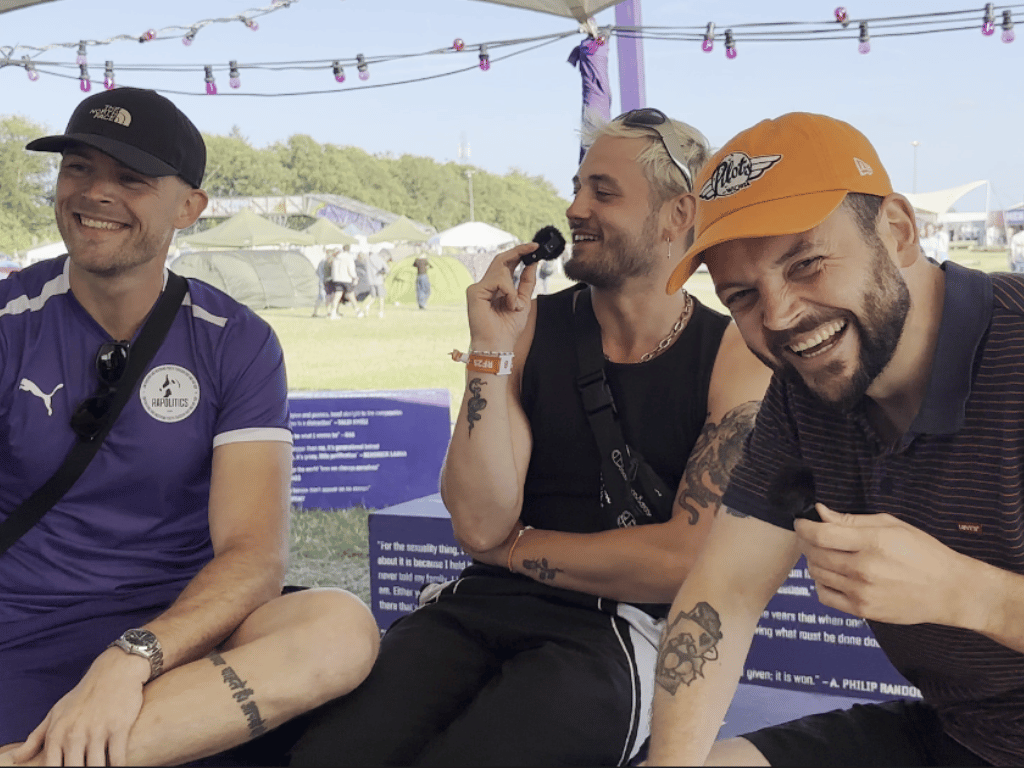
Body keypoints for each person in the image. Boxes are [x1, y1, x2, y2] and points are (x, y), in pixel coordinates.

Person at [289, 108, 771, 766]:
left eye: (603, 192)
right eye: (576, 187)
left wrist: (517, 552)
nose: (575, 207)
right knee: (333, 753)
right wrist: (491, 353)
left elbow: (681, 563)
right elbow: (481, 521)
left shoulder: (732, 355)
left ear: (677, 214)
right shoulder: (532, 327)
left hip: (621, 628)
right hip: (482, 608)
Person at [0, 87, 379, 767]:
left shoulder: (236, 340)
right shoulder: (10, 322)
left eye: (130, 178)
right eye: (78, 169)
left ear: (189, 208)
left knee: (339, 626)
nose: (94, 194)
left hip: (183, 635)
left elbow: (254, 556)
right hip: (21, 627)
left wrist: (130, 657)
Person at [648, 112, 1024, 767]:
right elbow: (724, 594)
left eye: (807, 263)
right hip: (959, 734)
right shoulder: (804, 393)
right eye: (742, 295)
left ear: (899, 230)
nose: (779, 316)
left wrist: (969, 594)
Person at [356, 250, 389, 318]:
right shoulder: (379, 258)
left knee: (373, 296)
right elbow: (386, 269)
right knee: (381, 297)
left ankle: (367, 306)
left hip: (370, 281)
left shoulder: (367, 260)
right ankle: (381, 312)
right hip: (379, 280)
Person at [312, 249, 331, 317]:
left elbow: (317, 272)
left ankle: (315, 312)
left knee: (321, 297)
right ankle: (328, 312)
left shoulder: (322, 262)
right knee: (324, 297)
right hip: (324, 282)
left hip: (322, 281)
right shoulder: (325, 262)